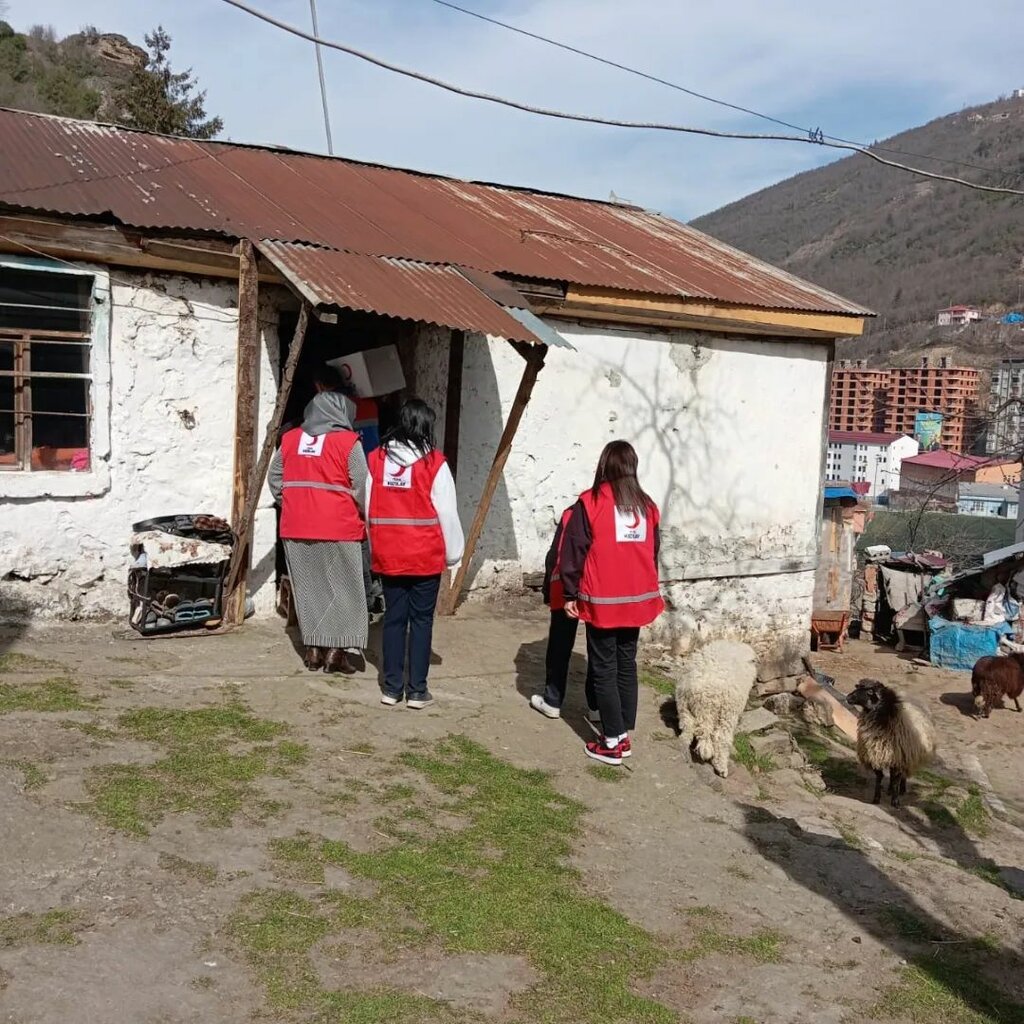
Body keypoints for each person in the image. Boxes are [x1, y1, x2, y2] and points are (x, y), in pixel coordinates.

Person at [560, 441, 664, 766]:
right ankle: (623, 730)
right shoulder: (647, 507)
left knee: (603, 667)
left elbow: (573, 551)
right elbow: (654, 551)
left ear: (604, 465)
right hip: (636, 599)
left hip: (603, 599)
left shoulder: (590, 503)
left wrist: (569, 592)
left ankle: (612, 741)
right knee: (625, 662)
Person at [269, 366, 368, 675]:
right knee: (344, 588)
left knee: (310, 588)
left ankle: (313, 650)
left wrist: (294, 504)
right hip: (339, 527)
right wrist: (365, 515)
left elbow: (275, 480)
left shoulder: (290, 439)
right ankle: (336, 653)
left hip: (296, 526)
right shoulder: (348, 442)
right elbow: (362, 486)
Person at [366, 399, 464, 709]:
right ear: (425, 426)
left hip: (390, 555)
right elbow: (447, 513)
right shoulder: (435, 464)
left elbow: (368, 510)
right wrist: (453, 554)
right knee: (421, 622)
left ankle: (391, 688)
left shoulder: (376, 460)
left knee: (393, 621)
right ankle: (418, 691)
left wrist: (375, 547)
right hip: (424, 557)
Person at [529, 505, 599, 723]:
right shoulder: (611, 513)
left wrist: (548, 590)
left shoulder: (573, 511)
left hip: (565, 585)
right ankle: (596, 706)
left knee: (559, 644)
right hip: (597, 587)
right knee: (598, 647)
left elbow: (555, 554)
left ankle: (552, 700)